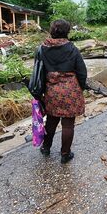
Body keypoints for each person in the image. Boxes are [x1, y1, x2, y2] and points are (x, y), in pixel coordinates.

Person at [37, 19, 87, 164]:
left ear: (51, 31)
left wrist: (40, 93)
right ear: (67, 32)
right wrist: (80, 88)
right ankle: (65, 154)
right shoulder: (72, 49)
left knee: (51, 122)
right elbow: (82, 72)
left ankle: (46, 148)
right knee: (68, 125)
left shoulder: (42, 48)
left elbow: (39, 72)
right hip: (71, 90)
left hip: (51, 92)